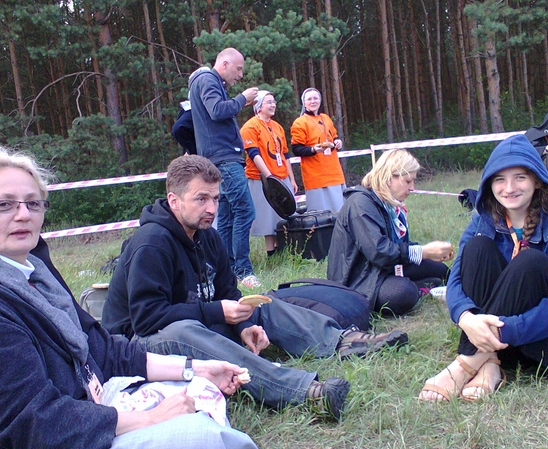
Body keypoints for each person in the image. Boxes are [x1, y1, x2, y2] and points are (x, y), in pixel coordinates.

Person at [0, 145, 258, 449]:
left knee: (199, 388)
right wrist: (151, 418)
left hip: (92, 398)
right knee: (206, 437)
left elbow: (104, 351)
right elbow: (31, 426)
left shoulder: (36, 273)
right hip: (67, 434)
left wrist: (195, 367)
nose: (23, 214)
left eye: (33, 203)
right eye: (3, 204)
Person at [102, 154, 410, 421]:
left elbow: (229, 294)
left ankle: (343, 341)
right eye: (201, 199)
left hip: (193, 323)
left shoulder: (208, 235)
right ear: (174, 201)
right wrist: (217, 311)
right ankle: (305, 392)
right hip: (139, 345)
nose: (212, 208)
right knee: (184, 331)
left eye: (216, 199)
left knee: (257, 303)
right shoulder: (152, 243)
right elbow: (146, 318)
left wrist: (243, 324)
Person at [419, 134, 548, 402]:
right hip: (496, 338)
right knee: (477, 248)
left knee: (530, 261)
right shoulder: (482, 221)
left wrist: (507, 330)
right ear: (490, 184)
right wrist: (465, 317)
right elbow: (455, 278)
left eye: (520, 177)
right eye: (500, 179)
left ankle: (467, 362)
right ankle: (490, 363)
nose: (509, 188)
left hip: (546, 340)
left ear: (537, 180)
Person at [327, 149, 453, 316]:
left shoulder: (388, 204)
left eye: (413, 181)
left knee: (442, 271)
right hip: (358, 281)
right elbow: (379, 252)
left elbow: (398, 247)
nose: (412, 188)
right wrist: (422, 252)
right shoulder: (360, 204)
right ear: (388, 178)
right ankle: (420, 288)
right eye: (408, 181)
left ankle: (426, 285)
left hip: (384, 268)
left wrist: (429, 252)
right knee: (402, 293)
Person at [188, 48, 260, 288]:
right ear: (225, 64)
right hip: (224, 159)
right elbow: (217, 111)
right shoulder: (207, 79)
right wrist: (242, 99)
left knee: (227, 217)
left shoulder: (210, 81)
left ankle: (226, 270)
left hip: (221, 158)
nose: (240, 75)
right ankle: (243, 270)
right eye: (238, 69)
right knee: (245, 211)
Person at [241, 90, 298, 257]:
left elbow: (285, 154)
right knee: (268, 217)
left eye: (274, 102)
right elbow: (254, 154)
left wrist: (291, 179)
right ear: (259, 106)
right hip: (262, 179)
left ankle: (283, 249)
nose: (273, 105)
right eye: (269, 102)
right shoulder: (250, 127)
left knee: (282, 215)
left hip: (281, 176)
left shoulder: (277, 126)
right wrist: (269, 178)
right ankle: (271, 253)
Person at [290, 88, 346, 213]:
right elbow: (296, 149)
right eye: (309, 99)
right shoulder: (300, 122)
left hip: (335, 174)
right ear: (304, 103)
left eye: (315, 98)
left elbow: (333, 136)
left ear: (320, 100)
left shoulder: (326, 118)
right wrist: (313, 149)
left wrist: (337, 142)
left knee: (340, 212)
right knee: (321, 215)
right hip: (316, 177)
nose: (313, 101)